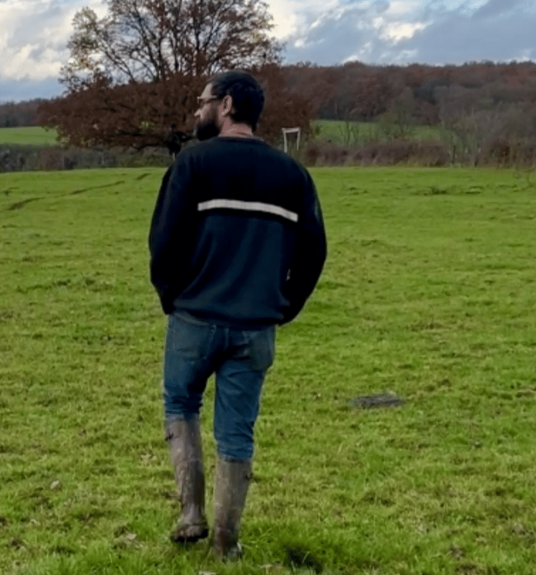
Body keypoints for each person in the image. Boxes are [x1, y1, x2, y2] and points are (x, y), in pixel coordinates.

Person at [148, 70, 327, 560]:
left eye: (203, 101)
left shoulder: (192, 165)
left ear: (226, 105)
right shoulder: (293, 176)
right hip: (256, 327)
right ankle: (226, 544)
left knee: (180, 405)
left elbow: (163, 244)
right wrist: (283, 306)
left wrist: (173, 297)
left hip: (194, 318)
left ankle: (190, 513)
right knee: (237, 430)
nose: (196, 109)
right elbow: (314, 253)